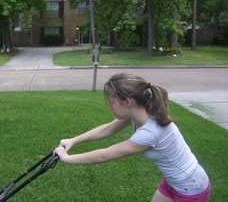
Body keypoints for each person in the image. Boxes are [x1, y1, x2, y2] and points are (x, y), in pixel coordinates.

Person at [54, 73, 211, 202]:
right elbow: (107, 129)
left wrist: (67, 158)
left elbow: (104, 155)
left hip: (191, 187)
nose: (109, 107)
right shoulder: (140, 113)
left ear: (128, 102)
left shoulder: (150, 133)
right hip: (174, 181)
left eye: (111, 102)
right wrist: (73, 141)